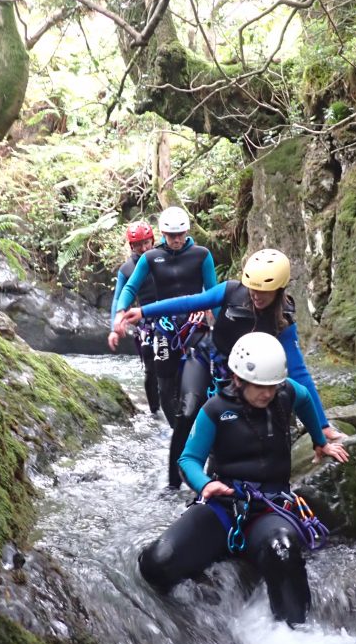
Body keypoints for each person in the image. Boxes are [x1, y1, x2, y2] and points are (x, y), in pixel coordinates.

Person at [137, 333, 349, 625]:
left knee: (283, 552)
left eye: (272, 386)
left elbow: (305, 398)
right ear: (238, 379)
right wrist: (204, 484)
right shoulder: (216, 410)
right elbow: (188, 460)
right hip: (223, 505)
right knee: (157, 563)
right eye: (260, 386)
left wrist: (319, 439)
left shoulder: (285, 392)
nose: (267, 393)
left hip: (269, 508)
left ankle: (295, 634)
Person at [118, 248, 342, 443]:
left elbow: (298, 372)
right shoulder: (231, 291)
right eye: (253, 289)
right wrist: (143, 311)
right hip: (210, 358)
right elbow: (188, 302)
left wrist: (322, 426)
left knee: (240, 429)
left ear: (279, 289)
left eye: (264, 292)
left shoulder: (283, 318)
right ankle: (177, 477)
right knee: (188, 412)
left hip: (247, 372)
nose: (256, 296)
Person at [110, 206, 217, 490]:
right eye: (170, 235)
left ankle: (199, 439)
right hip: (162, 328)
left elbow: (213, 290)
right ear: (164, 234)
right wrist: (120, 315)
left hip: (194, 327)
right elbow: (129, 289)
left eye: (180, 235)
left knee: (196, 392)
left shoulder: (202, 255)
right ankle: (176, 435)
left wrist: (212, 316)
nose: (176, 240)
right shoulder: (150, 257)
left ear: (187, 232)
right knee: (164, 384)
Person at [107, 220, 161, 414]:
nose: (143, 248)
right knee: (150, 366)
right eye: (138, 245)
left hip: (171, 316)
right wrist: (115, 327)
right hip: (146, 320)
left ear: (153, 240)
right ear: (131, 246)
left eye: (146, 243)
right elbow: (119, 298)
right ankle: (155, 411)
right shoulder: (127, 270)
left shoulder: (164, 256)